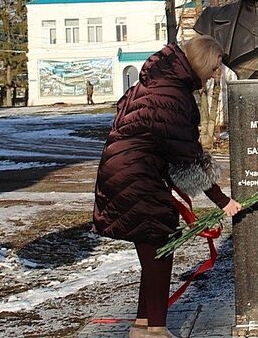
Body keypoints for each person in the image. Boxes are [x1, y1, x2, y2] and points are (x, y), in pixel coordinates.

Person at [93, 36, 242, 338]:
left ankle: (143, 325)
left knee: (155, 247)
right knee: (159, 247)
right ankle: (156, 329)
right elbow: (186, 155)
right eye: (214, 68)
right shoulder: (172, 95)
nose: (215, 74)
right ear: (202, 63)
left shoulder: (159, 82)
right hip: (136, 175)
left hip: (124, 171)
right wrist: (222, 200)